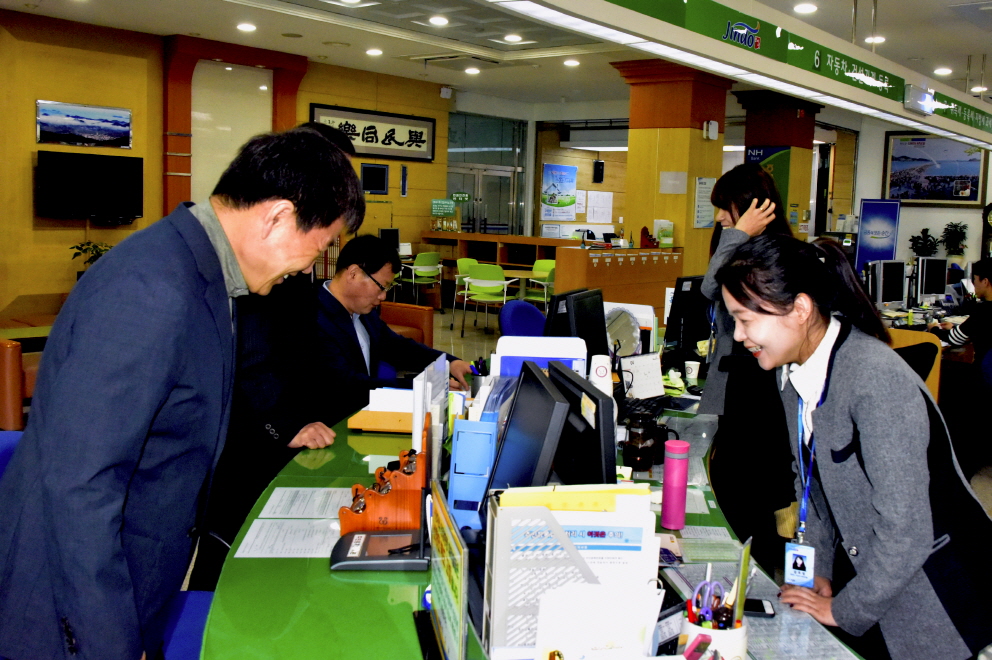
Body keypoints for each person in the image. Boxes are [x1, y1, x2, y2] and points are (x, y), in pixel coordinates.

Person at [0, 127, 364, 660]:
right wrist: (110, 643)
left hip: (132, 585)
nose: (312, 264)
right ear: (278, 216)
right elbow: (80, 484)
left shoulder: (200, 274)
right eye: (321, 245)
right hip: (72, 617)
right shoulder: (153, 288)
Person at [717, 233, 992, 660]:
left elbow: (907, 533)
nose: (737, 335)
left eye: (745, 320)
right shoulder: (795, 375)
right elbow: (814, 490)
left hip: (933, 599)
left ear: (801, 309)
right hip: (872, 575)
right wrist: (817, 573)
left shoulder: (874, 381)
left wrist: (844, 608)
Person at [188, 124, 360, 591]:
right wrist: (285, 425)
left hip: (287, 443)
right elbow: (249, 365)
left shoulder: (290, 276)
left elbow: (298, 357)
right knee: (233, 575)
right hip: (241, 461)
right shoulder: (205, 277)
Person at [698, 162, 796, 572]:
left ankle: (751, 573)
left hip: (756, 389)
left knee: (743, 487)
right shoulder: (742, 245)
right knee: (731, 479)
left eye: (726, 208)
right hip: (739, 380)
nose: (720, 217)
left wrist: (738, 235)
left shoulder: (768, 255)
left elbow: (711, 285)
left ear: (751, 207)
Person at [316, 234, 472, 426]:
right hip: (328, 427)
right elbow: (348, 385)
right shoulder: (313, 318)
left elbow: (396, 347)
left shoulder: (363, 312)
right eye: (381, 286)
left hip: (362, 418)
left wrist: (449, 362)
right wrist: (424, 387)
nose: (383, 296)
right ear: (354, 273)